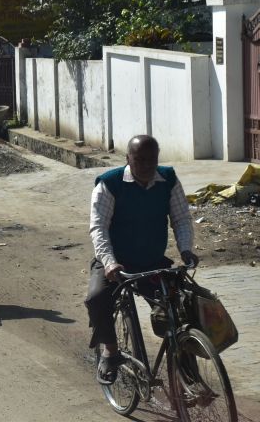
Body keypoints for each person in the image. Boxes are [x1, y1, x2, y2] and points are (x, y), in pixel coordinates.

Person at [85, 135, 198, 385]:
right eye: (140, 160)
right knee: (96, 299)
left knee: (178, 310)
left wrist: (186, 250)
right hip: (116, 263)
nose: (147, 165)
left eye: (152, 160)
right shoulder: (109, 184)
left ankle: (189, 375)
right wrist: (109, 262)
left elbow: (181, 219)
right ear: (128, 159)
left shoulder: (168, 179)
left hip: (152, 261)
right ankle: (110, 352)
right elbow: (99, 228)